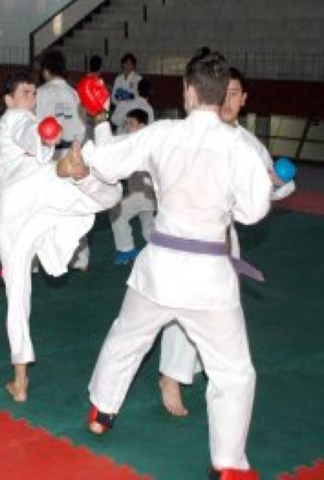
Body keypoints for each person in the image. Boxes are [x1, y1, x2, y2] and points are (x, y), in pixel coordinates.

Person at [82, 48, 271, 479]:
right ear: (222, 93)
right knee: (233, 373)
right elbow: (252, 212)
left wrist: (99, 118)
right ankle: (229, 465)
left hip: (161, 269)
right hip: (209, 278)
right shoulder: (239, 146)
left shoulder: (163, 134)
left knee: (127, 337)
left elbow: (106, 163)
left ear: (188, 91)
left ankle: (101, 410)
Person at [0, 72, 121, 404]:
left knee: (17, 294)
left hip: (12, 212)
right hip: (37, 188)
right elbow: (27, 130)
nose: (31, 98)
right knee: (107, 195)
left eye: (34, 92)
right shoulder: (16, 119)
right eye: (25, 92)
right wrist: (44, 134)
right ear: (8, 100)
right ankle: (73, 171)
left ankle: (20, 380)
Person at [158, 67, 298, 418]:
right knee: (181, 304)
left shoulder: (248, 144)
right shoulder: (194, 133)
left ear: (244, 99)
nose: (228, 100)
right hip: (185, 233)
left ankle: (212, 369)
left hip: (223, 238)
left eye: (235, 93)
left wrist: (274, 183)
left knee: (220, 307)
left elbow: (271, 189)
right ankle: (171, 376)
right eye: (224, 92)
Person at [36, 49, 89, 271]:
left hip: (48, 154)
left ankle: (36, 261)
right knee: (73, 206)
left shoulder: (40, 93)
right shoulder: (74, 94)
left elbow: (35, 126)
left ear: (46, 70)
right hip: (73, 152)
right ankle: (81, 259)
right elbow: (83, 126)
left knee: (42, 207)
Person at [108, 108, 156, 265]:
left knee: (117, 214)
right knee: (148, 225)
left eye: (131, 123)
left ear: (142, 126)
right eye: (126, 123)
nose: (127, 126)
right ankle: (160, 250)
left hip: (141, 192)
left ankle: (127, 250)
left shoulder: (141, 143)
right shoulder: (139, 141)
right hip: (147, 193)